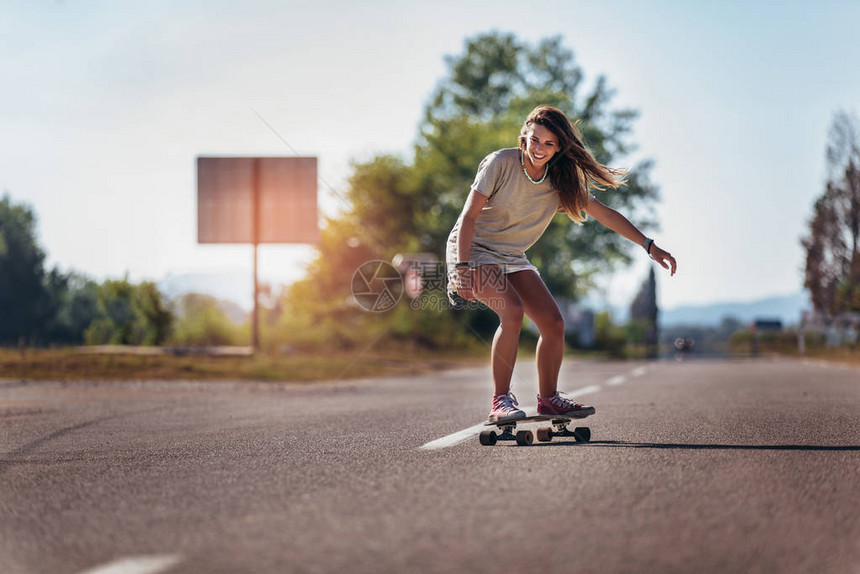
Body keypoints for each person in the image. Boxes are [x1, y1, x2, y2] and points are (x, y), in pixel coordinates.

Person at [446, 105, 677, 423]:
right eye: (535, 140)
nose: (539, 149)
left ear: (558, 148)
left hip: (512, 255)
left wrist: (648, 245)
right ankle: (501, 400)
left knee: (554, 324)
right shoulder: (500, 163)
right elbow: (468, 216)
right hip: (473, 249)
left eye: (549, 144)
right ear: (525, 136)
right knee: (512, 311)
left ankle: (549, 399)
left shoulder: (560, 181)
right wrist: (461, 268)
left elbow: (604, 214)